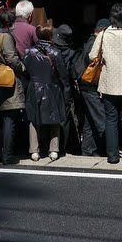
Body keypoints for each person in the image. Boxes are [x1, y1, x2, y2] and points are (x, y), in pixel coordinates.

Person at [89, 3, 122, 165]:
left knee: (111, 119)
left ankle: (112, 157)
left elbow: (92, 56)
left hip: (109, 83)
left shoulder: (103, 35)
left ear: (112, 17)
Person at [24, 25, 71, 161]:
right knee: (54, 119)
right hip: (52, 88)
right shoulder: (55, 52)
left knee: (34, 119)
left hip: (34, 87)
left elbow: (26, 70)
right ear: (50, 37)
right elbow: (63, 74)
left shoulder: (29, 52)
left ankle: (34, 151)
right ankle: (54, 150)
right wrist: (67, 91)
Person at [0, 8, 25, 165]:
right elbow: (11, 58)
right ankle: (7, 155)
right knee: (10, 117)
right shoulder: (5, 37)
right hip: (8, 81)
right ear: (9, 22)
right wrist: (22, 67)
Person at [76, 19, 109, 156]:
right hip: (91, 86)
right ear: (103, 31)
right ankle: (109, 149)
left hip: (85, 86)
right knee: (102, 120)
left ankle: (88, 150)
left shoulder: (89, 41)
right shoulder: (94, 43)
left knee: (90, 119)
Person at [51, 24, 82, 154]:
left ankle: (50, 145)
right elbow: (75, 73)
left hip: (50, 87)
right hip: (66, 89)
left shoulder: (50, 50)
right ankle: (64, 146)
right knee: (65, 117)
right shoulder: (72, 53)